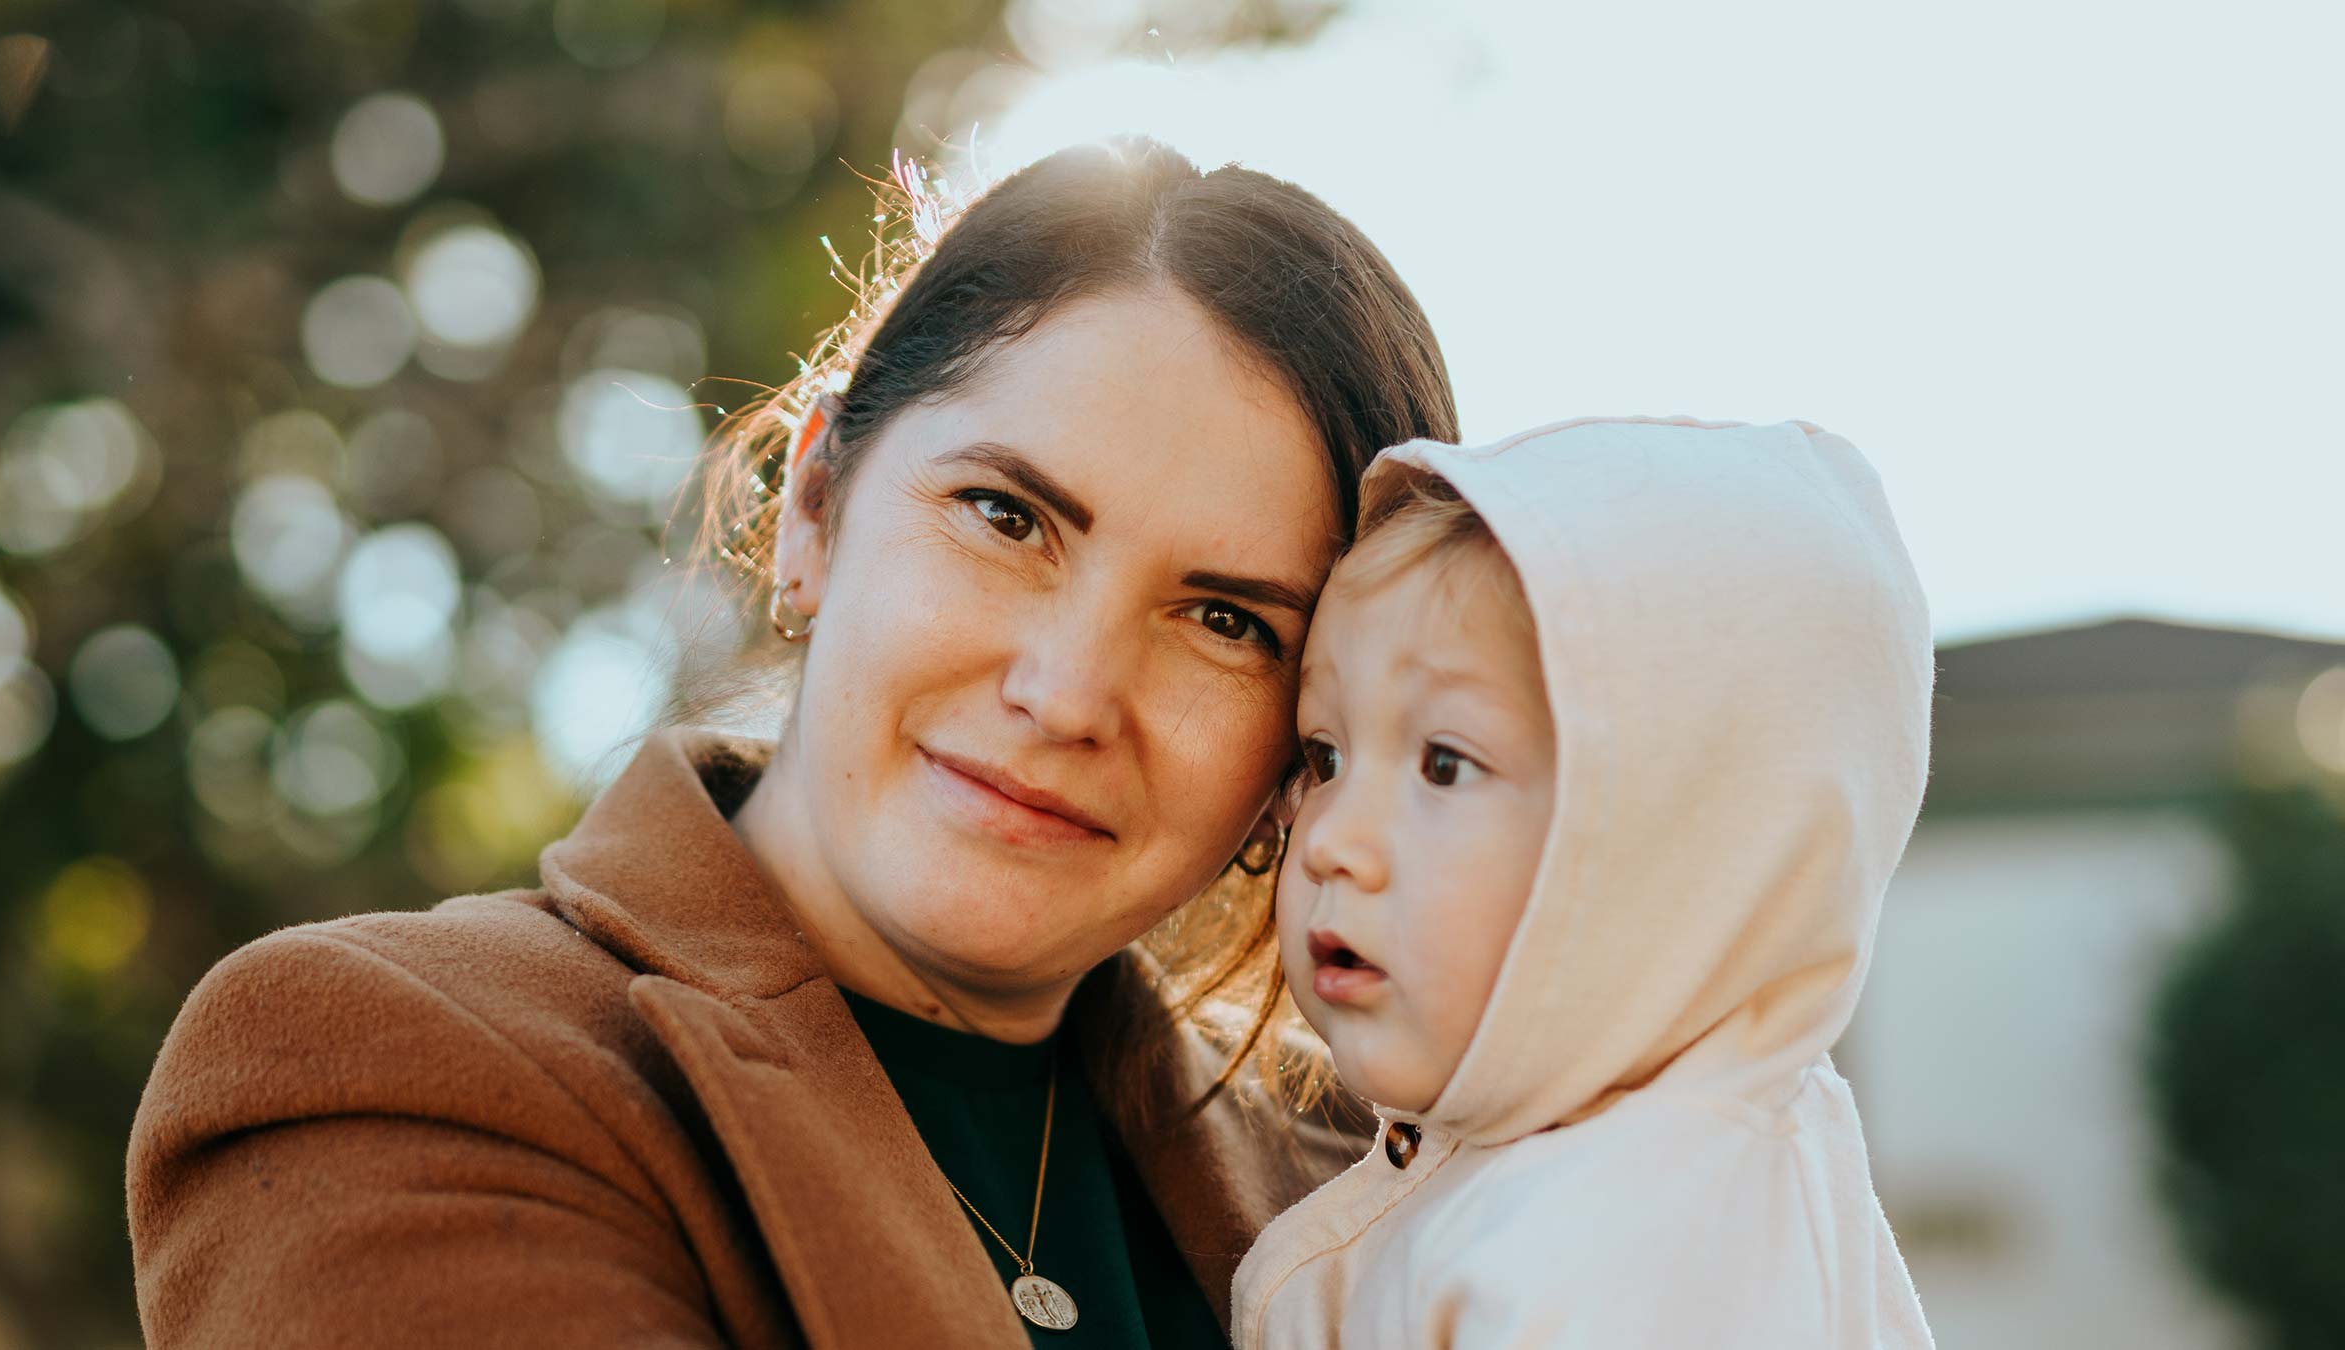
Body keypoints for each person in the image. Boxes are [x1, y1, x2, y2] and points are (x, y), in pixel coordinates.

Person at [125, 136, 1456, 1348]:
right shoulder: (396, 1058)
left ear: (1318, 732)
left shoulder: (1402, 1177)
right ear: (816, 508)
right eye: (1005, 516)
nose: (1066, 692)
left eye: (1226, 618)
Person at [1230, 416, 1938, 1347]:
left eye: (1444, 764)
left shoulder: (1627, 1257)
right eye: (1323, 756)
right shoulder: (1565, 1183)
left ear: (1689, 847)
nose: (1331, 843)